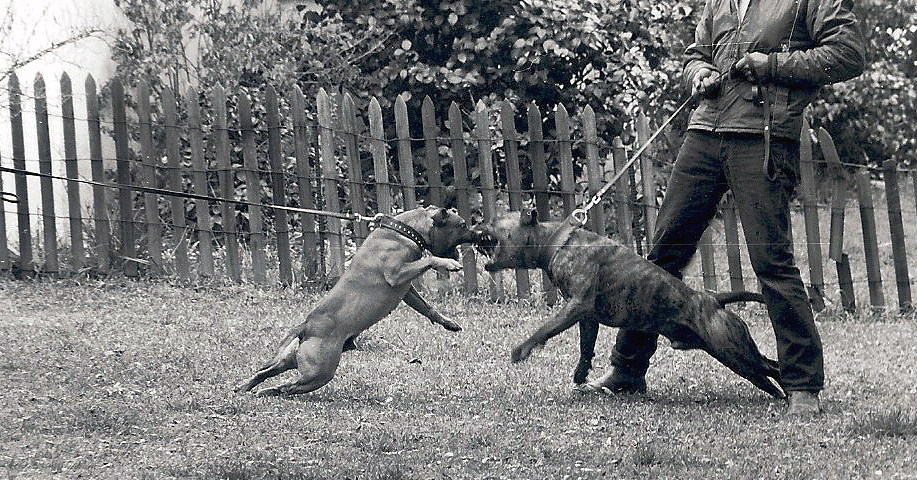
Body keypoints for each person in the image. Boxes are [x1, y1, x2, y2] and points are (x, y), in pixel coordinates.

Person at [604, 0, 865, 416]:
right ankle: (628, 369)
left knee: (772, 263)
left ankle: (802, 385)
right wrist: (699, 73)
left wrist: (772, 65)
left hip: (762, 137)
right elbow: (696, 54)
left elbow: (848, 54)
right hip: (705, 132)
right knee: (662, 256)